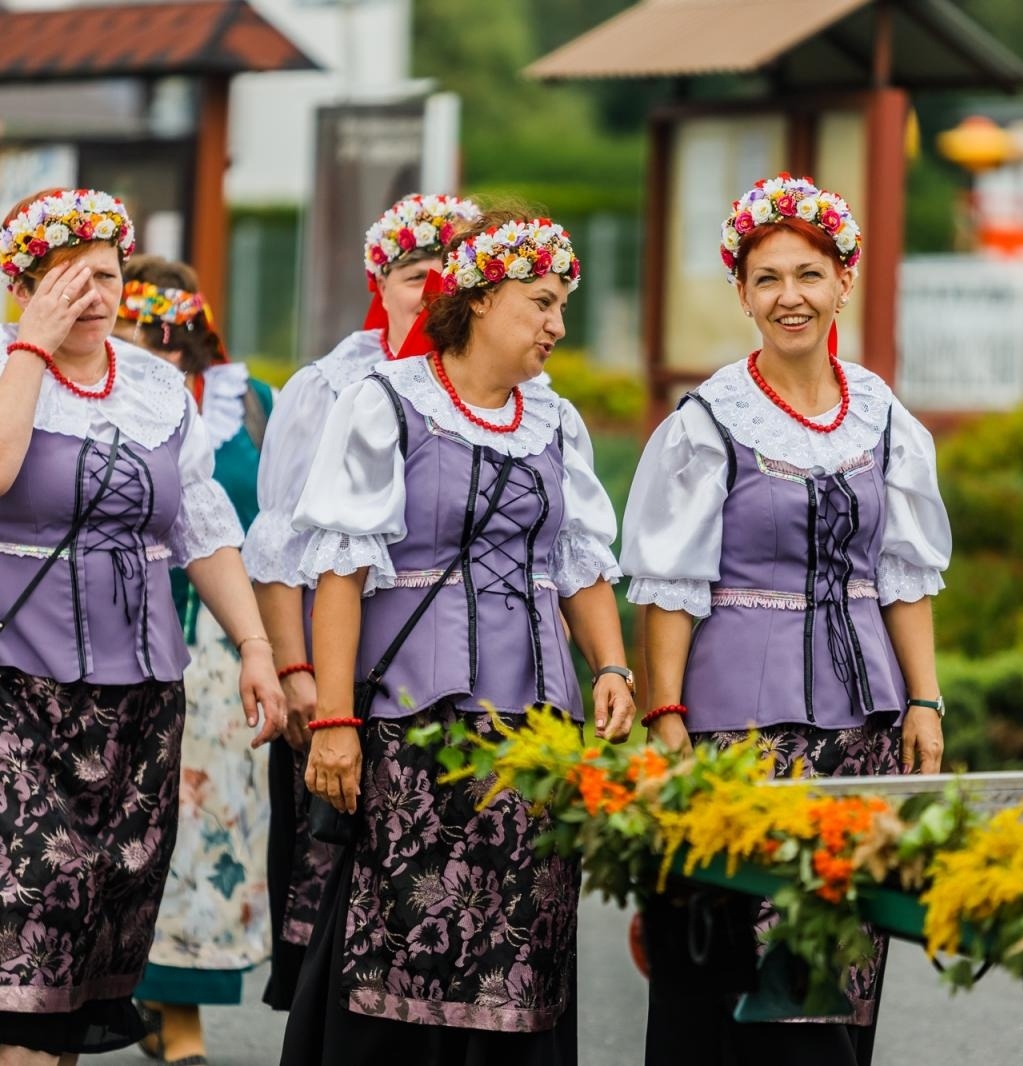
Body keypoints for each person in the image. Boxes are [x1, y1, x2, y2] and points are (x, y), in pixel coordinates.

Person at [0, 188, 287, 1066]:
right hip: (4, 689)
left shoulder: (153, 384)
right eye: (70, 279)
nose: (97, 294)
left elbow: (202, 523)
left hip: (138, 696)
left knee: (90, 936)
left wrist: (258, 647)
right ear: (27, 285)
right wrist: (31, 347)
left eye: (107, 276)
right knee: (26, 933)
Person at [279, 212, 634, 1065]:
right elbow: (341, 570)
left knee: (524, 948)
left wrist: (613, 666)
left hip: (539, 734)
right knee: (404, 940)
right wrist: (333, 721)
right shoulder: (388, 402)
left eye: (562, 306)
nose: (557, 324)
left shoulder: (555, 422)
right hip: (415, 724)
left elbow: (579, 562)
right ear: (477, 300)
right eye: (541, 303)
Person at [620, 175, 952, 1066]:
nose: (788, 298)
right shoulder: (708, 421)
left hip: (864, 731)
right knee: (744, 967)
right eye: (766, 279)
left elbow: (903, 573)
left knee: (840, 954)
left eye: (808, 275)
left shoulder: (883, 417)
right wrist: (666, 721)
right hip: (741, 730)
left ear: (844, 280)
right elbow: (666, 585)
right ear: (741, 294)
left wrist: (925, 701)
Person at [241, 192, 480, 1008]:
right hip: (341, 670)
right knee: (335, 876)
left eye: (453, 277)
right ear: (383, 282)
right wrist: (297, 670)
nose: (435, 292)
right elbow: (278, 547)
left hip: (446, 672)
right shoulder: (331, 385)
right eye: (418, 276)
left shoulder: (501, 388)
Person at [112, 255, 274, 1065]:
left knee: (207, 824)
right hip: (119, 625)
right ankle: (118, 979)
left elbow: (275, 540)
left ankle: (181, 1011)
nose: (161, 346)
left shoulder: (253, 406)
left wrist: (274, 649)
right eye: (143, 329)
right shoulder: (99, 400)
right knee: (120, 814)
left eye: (176, 331)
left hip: (216, 648)